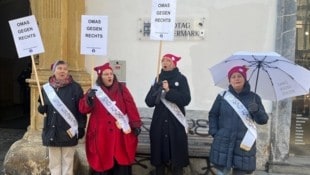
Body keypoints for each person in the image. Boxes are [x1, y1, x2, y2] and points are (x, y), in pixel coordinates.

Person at [79, 62, 142, 175]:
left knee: (120, 159)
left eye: (111, 74)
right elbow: (83, 109)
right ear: (100, 77)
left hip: (120, 134)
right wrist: (88, 99)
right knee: (102, 161)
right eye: (106, 74)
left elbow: (131, 106)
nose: (109, 76)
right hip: (101, 134)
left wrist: (135, 124)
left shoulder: (122, 89)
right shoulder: (94, 91)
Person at [208, 66, 269, 175]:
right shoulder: (223, 97)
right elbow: (213, 114)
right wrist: (215, 132)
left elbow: (263, 120)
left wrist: (257, 110)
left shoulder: (254, 98)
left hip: (244, 143)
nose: (237, 79)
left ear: (245, 79)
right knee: (222, 172)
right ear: (229, 80)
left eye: (240, 76)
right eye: (233, 77)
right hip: (223, 142)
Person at [37, 60, 87, 175]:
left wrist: (81, 126)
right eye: (59, 68)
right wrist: (41, 109)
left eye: (65, 69)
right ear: (54, 71)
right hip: (52, 130)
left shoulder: (76, 88)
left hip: (69, 131)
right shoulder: (46, 88)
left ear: (68, 71)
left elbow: (81, 110)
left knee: (68, 162)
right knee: (54, 164)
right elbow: (42, 106)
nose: (62, 71)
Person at [145, 53, 191, 175]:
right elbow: (148, 102)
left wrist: (169, 91)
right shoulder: (157, 79)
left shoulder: (181, 79)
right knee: (159, 157)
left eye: (168, 61)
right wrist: (156, 91)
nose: (165, 63)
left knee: (177, 157)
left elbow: (186, 99)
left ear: (174, 63)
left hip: (176, 123)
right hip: (159, 122)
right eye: (163, 60)